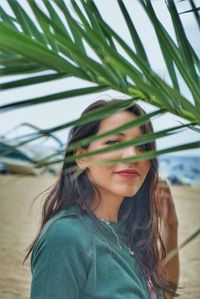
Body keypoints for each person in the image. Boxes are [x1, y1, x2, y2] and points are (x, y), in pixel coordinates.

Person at [24, 99, 180, 299]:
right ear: (82, 156)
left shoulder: (127, 231)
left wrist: (171, 226)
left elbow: (164, 293)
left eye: (142, 146)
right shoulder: (66, 237)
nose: (133, 155)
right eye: (114, 142)